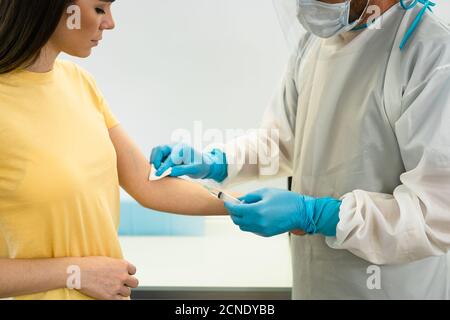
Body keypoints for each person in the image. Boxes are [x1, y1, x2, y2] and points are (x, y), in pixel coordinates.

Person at [151, 0, 450, 299]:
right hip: (315, 283)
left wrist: (320, 215)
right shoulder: (317, 42)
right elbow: (281, 142)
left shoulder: (431, 54)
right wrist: (217, 163)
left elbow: (434, 214)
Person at [0, 0, 227, 300]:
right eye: (99, 8)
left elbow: (147, 184)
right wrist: (76, 272)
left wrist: (242, 207)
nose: (110, 23)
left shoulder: (79, 83)